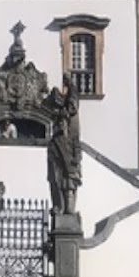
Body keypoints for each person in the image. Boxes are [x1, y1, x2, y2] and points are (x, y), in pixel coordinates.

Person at [47, 76, 82, 215]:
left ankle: (67, 208)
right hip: (59, 153)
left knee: (68, 184)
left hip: (67, 154)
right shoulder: (55, 141)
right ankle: (61, 206)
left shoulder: (71, 98)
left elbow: (72, 106)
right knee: (58, 181)